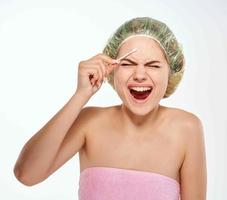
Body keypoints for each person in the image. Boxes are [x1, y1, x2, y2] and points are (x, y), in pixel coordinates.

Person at [14, 17, 207, 200]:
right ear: (111, 69)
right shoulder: (90, 122)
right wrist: (81, 95)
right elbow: (26, 175)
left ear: (171, 71)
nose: (140, 74)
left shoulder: (186, 128)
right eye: (128, 64)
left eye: (153, 65)